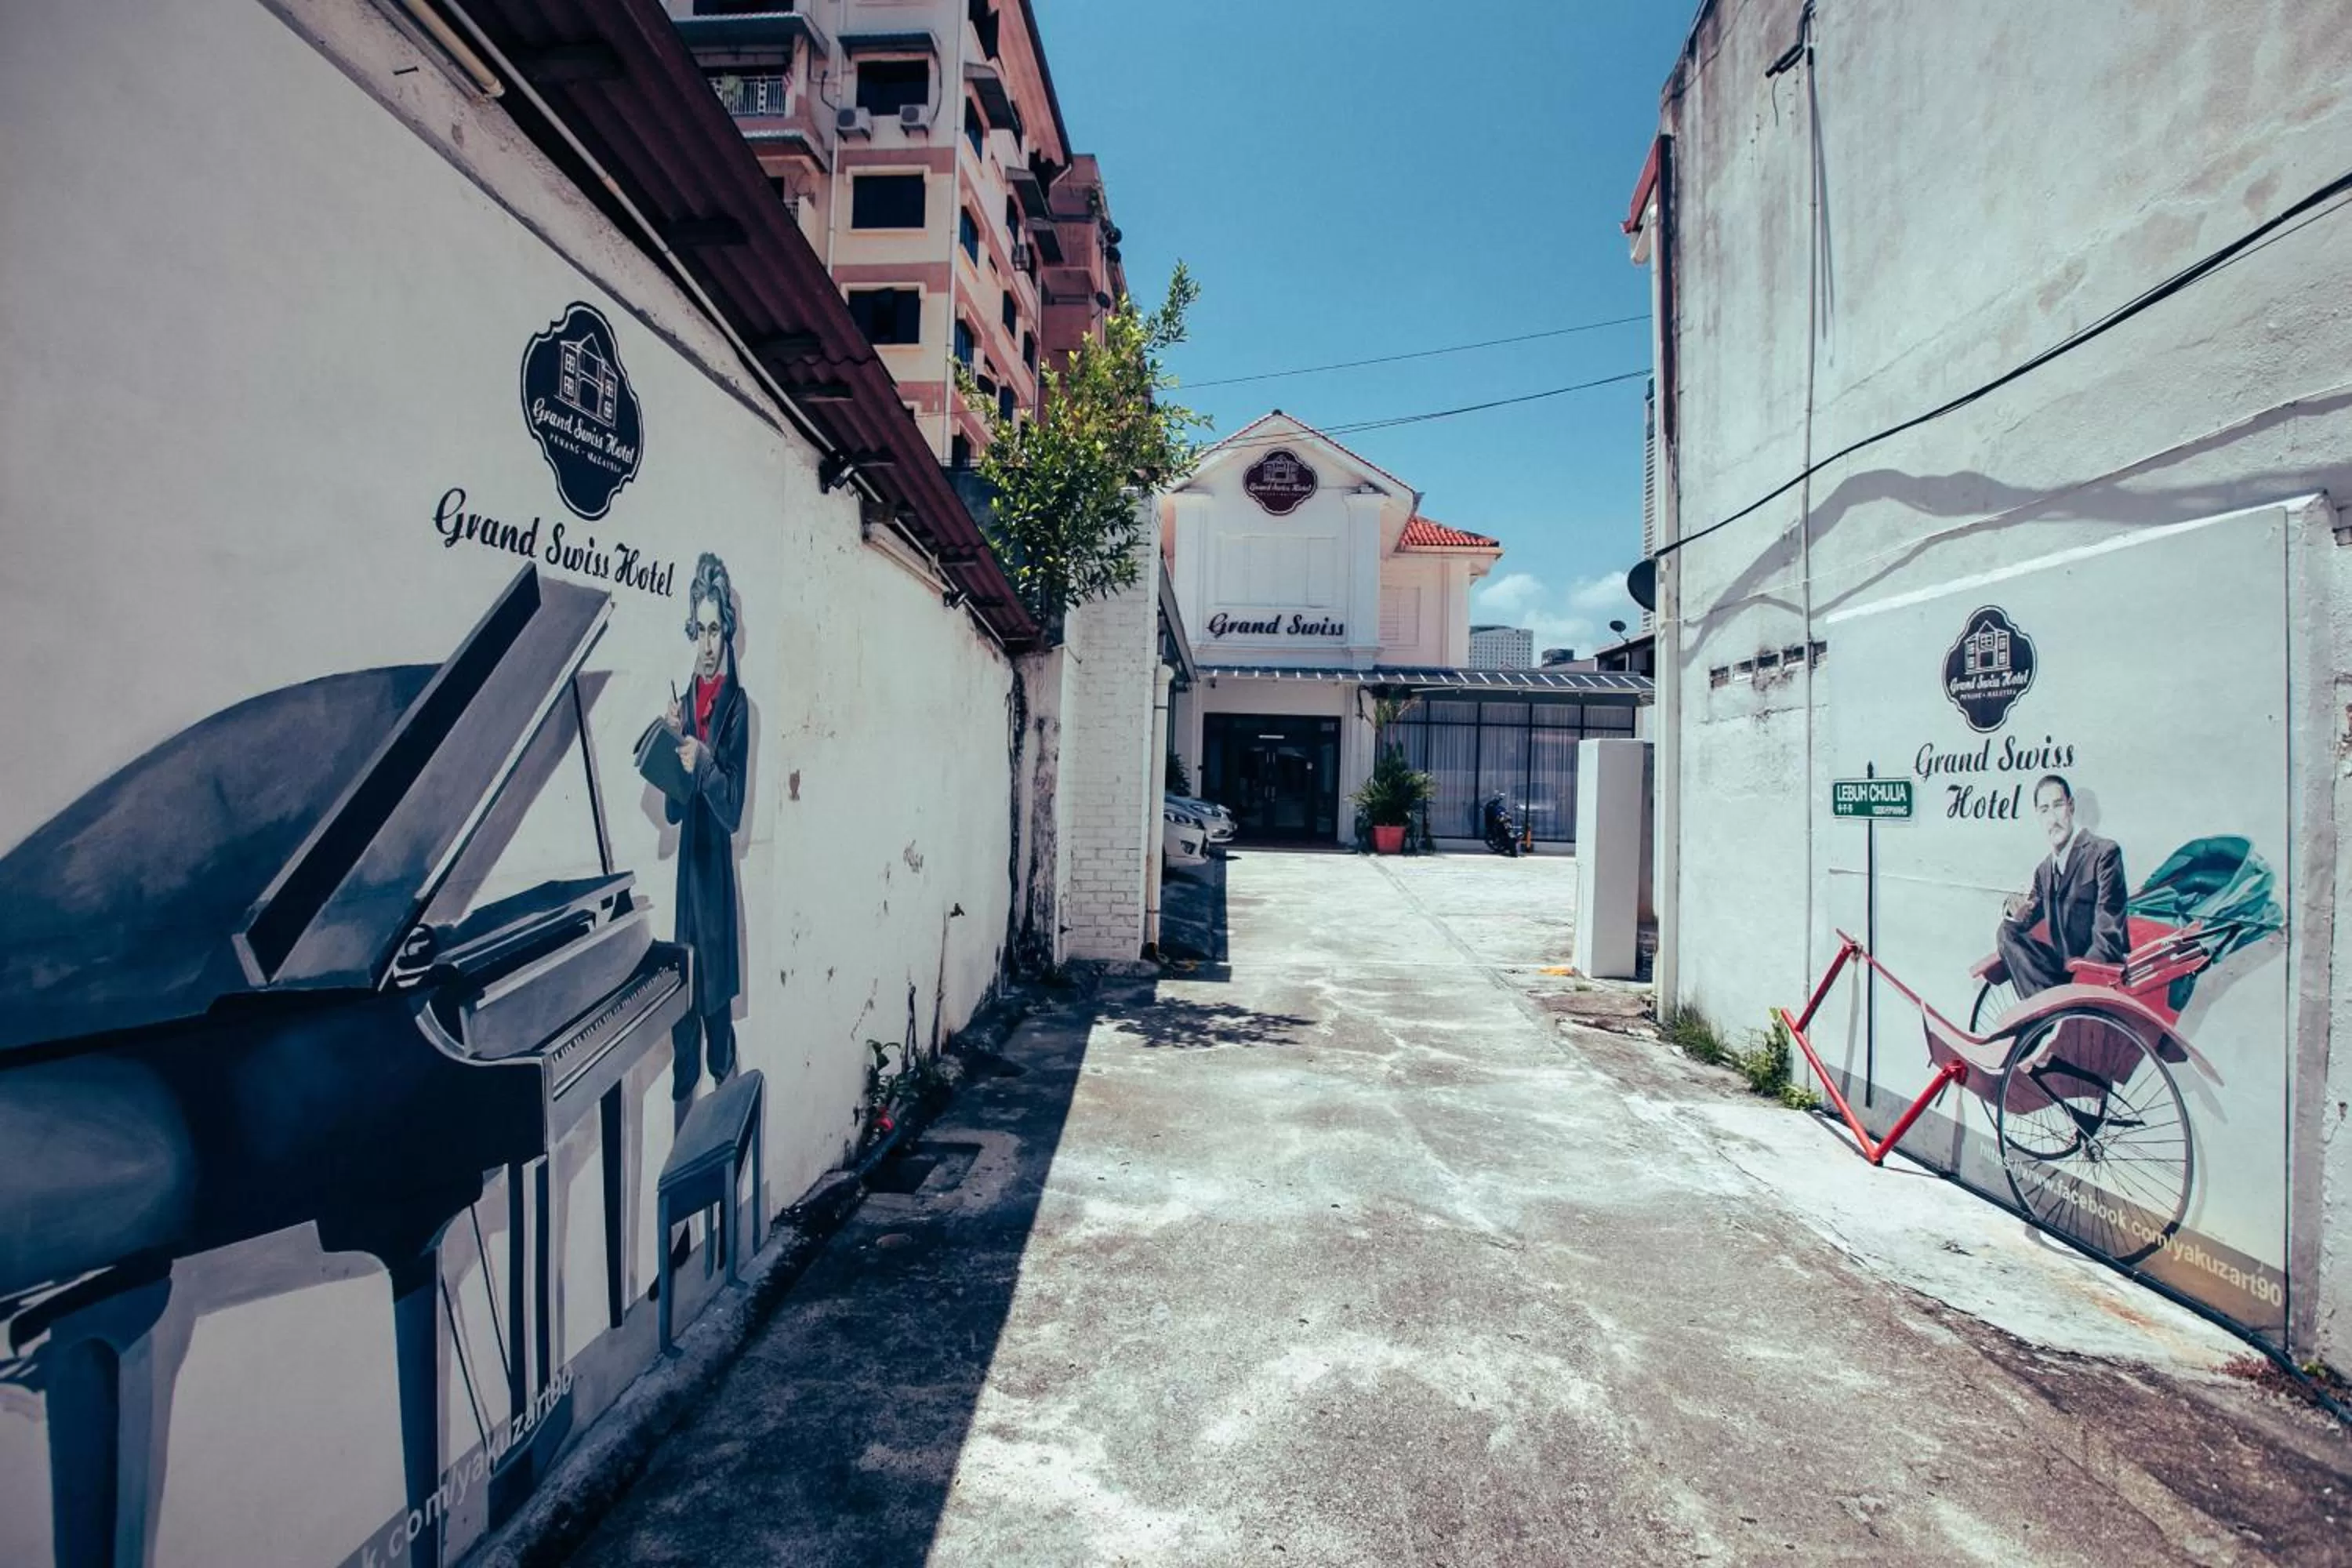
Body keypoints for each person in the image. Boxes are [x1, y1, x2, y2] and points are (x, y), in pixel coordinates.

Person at [663, 552, 749, 1131]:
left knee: (717, 1017)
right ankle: (680, 1195)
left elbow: (733, 809)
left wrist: (703, 762)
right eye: (701, 629)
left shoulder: (737, 708)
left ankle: (722, 1146)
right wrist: (672, 743)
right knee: (682, 1036)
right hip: (683, 894)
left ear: (728, 633)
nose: (709, 643)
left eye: (717, 629)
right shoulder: (685, 703)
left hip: (714, 883)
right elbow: (673, 810)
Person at [1995, 774, 2127, 996]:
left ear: (2071, 807)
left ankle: (2053, 1014)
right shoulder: (2044, 871)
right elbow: (2028, 917)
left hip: (2100, 973)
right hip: (2064, 973)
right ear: (2038, 816)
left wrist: (2083, 981)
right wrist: (2015, 912)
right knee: (2007, 932)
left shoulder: (2104, 853)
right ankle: (2044, 1012)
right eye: (2044, 810)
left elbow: (2109, 933)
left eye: (2058, 806)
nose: (2053, 818)